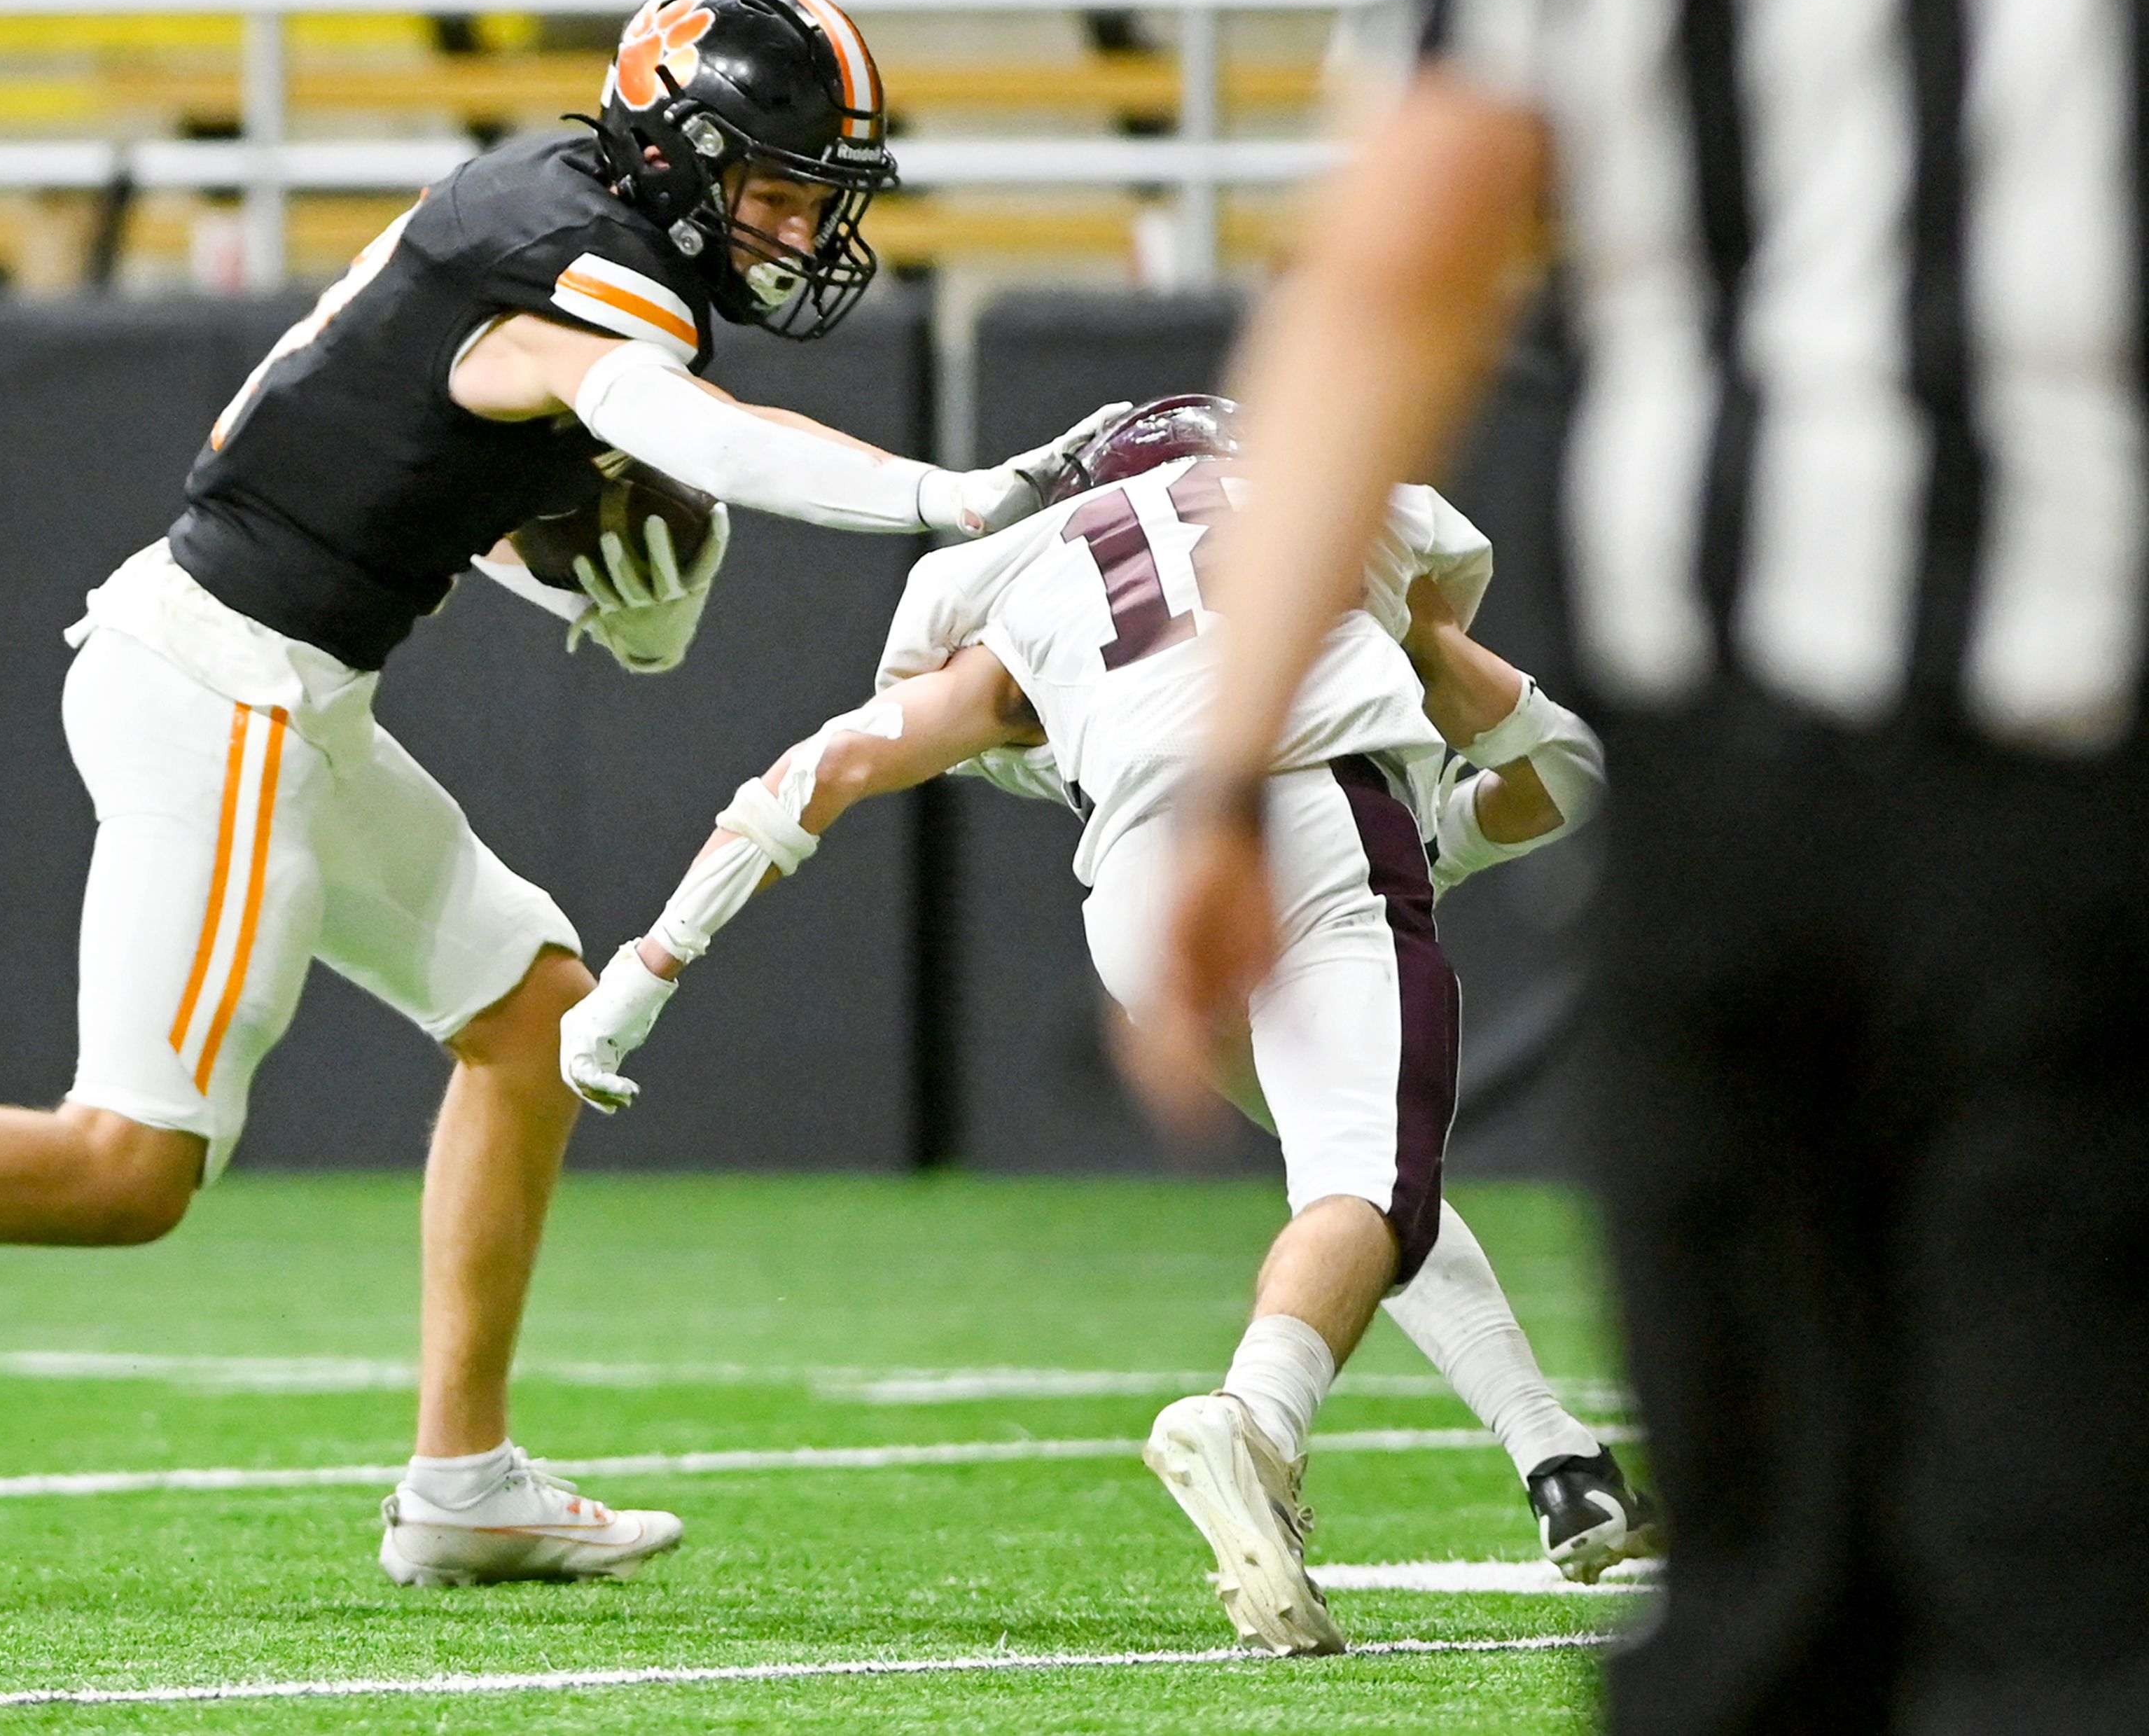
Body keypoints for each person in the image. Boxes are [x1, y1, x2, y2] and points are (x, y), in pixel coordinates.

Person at [0, 0, 1117, 1593]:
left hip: (276, 672)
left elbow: (418, 450)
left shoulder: (538, 200)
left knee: (533, 1012)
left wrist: (571, 569)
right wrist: (956, 494)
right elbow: (683, 432)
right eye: (776, 185)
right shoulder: (584, 264)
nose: (795, 228)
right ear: (676, 144)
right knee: (126, 1164)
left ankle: (463, 1478)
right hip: (228, 685)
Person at [1134, 0, 2149, 1730]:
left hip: (1732, 796)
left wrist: (1223, 766)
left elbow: (1405, 251)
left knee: (1763, 1582)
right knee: (2064, 1566)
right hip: (2071, 777)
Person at [555, 396, 1656, 1651]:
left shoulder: (1025, 568)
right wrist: (1440, 838)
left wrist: (646, 967)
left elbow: (826, 767)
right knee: (1370, 1179)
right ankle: (1253, 1424)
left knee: (1353, 1177)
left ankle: (1562, 1463)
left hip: (1137, 896)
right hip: (1315, 822)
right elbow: (1567, 765)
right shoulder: (1331, 507)